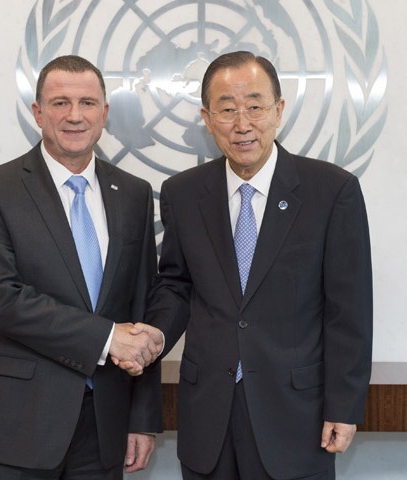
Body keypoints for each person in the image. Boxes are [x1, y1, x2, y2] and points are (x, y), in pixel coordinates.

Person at [145, 51, 373, 480]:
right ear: (207, 119)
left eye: (254, 105)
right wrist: (155, 332)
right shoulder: (182, 193)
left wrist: (344, 407)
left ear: (279, 110)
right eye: (227, 109)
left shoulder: (332, 190)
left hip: (296, 415)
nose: (242, 122)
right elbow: (176, 285)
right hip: (208, 413)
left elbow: (349, 311)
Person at [0, 55, 164, 480]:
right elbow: (1, 299)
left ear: (105, 114)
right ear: (37, 113)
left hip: (105, 426)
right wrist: (108, 338)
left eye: (88, 103)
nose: (75, 116)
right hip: (17, 425)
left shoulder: (133, 193)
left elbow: (143, 304)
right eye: (59, 103)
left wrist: (143, 417)